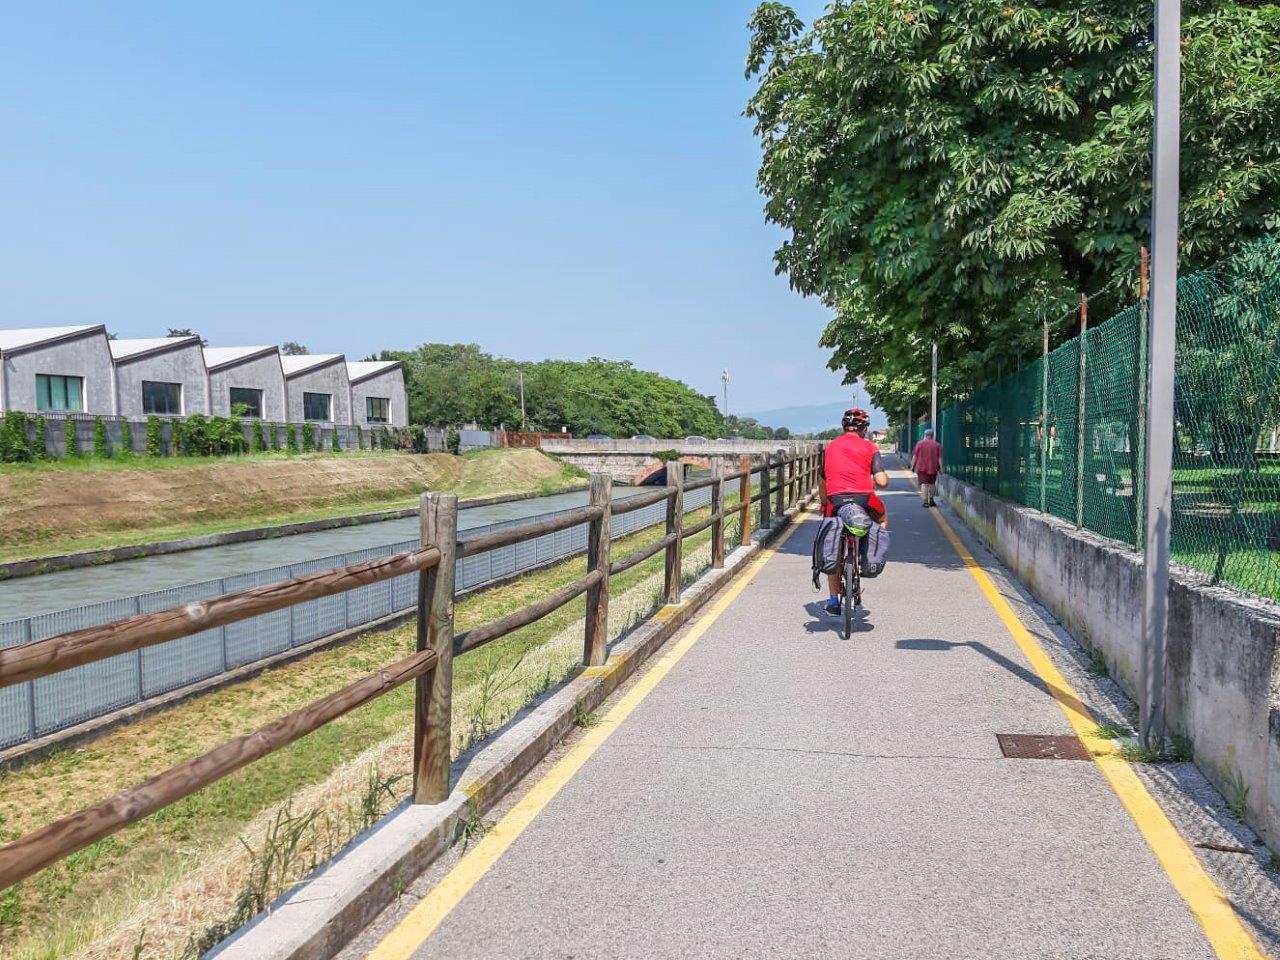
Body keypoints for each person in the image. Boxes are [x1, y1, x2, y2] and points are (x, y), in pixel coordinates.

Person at [820, 407, 889, 615]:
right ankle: (868, 555)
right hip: (864, 499)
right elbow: (881, 481)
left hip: (836, 501)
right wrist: (884, 479)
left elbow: (823, 482)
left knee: (832, 541)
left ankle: (833, 601)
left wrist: (824, 504)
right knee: (883, 518)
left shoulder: (830, 447)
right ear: (865, 428)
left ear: (843, 427)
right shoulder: (870, 447)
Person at [911, 428, 943, 507]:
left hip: (922, 468)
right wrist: (941, 468)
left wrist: (912, 466)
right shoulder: (937, 444)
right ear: (932, 435)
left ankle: (925, 502)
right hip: (933, 467)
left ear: (925, 435)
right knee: (932, 484)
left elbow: (915, 456)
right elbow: (940, 458)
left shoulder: (919, 443)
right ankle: (931, 500)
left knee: (924, 484)